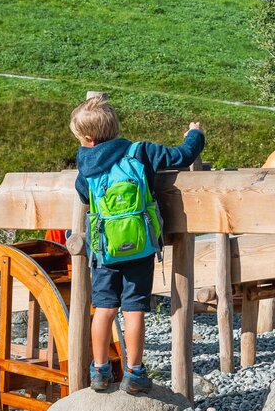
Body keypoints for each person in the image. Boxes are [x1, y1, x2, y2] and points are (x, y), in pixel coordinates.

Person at [69, 97, 204, 392]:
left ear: (87, 139)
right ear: (115, 126)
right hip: (140, 246)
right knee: (134, 310)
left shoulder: (86, 167)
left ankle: (100, 371)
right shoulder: (140, 152)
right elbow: (182, 155)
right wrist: (195, 133)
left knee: (104, 308)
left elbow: (83, 196)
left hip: (105, 251)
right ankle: (135, 372)